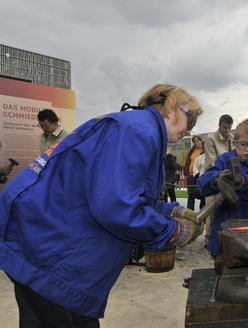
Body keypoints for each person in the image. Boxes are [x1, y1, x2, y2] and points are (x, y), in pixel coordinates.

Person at [0, 84, 204, 327]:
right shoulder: (140, 130)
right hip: (49, 251)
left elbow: (125, 196)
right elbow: (116, 207)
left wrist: (170, 210)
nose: (191, 128)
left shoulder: (136, 128)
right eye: (189, 117)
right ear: (169, 106)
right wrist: (169, 231)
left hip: (38, 241)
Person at [198, 119, 248, 257]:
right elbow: (202, 186)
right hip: (222, 230)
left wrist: (244, 181)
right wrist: (217, 178)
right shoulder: (223, 161)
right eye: (243, 144)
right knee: (221, 270)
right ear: (235, 142)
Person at [202, 114, 235, 245]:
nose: (227, 131)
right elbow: (212, 162)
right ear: (219, 125)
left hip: (228, 179)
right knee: (211, 209)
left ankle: (224, 236)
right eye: (225, 127)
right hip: (213, 179)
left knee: (226, 209)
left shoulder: (232, 139)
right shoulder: (210, 139)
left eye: (229, 128)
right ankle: (209, 238)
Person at [183, 135, 204, 209]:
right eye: (194, 142)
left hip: (200, 175)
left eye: (197, 141)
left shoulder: (205, 150)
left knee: (202, 195)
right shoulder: (192, 150)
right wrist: (186, 172)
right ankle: (190, 214)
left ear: (201, 141)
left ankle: (202, 214)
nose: (196, 143)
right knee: (191, 195)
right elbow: (187, 161)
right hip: (191, 176)